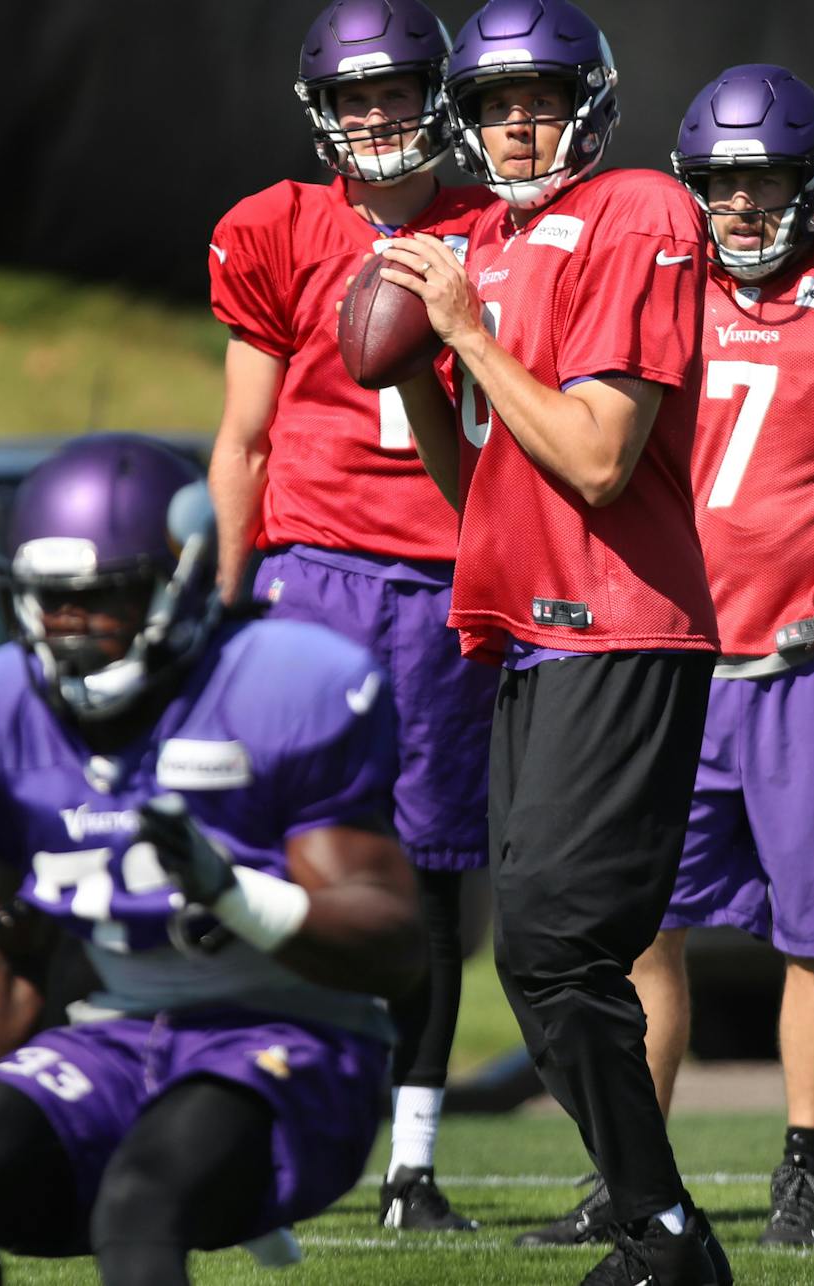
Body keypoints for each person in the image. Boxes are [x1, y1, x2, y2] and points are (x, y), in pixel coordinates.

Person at [523, 64, 814, 1253]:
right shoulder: (657, 288)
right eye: (721, 185)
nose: (739, 207)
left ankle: (806, 1169)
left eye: (765, 181)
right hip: (672, 666)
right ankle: (632, 1174)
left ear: (813, 180)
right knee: (642, 933)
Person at [0, 433, 427, 1286]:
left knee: (141, 1201)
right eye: (46, 603)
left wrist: (235, 895)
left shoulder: (278, 688)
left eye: (100, 601)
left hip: (297, 1035)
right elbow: (15, 939)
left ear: (178, 582)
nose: (67, 630)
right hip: (119, 1031)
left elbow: (399, 947)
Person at [378, 2, 735, 1282]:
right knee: (530, 961)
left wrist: (466, 329)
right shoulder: (489, 238)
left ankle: (664, 1231)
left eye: (534, 98)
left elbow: (596, 457)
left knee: (553, 942)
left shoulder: (638, 209)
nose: (512, 124)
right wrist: (419, 365)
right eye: (489, 104)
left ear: (587, 98)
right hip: (530, 628)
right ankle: (659, 1228)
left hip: (621, 622)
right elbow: (465, 479)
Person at [207, 0, 496, 1232]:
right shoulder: (273, 227)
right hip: (309, 568)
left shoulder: (500, 229)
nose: (376, 118)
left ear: (438, 95)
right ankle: (252, 1128)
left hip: (444, 574)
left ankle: (412, 1163)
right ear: (325, 108)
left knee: (430, 870)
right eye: (357, 97)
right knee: (274, 859)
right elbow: (244, 435)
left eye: (397, 93)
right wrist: (221, 606)